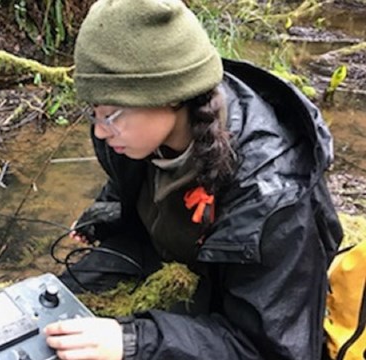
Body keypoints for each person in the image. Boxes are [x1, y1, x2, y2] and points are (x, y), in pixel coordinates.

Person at [44, 0, 344, 359]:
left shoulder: (273, 193)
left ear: (170, 96)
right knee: (50, 314)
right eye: (92, 112)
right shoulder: (134, 138)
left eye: (111, 114)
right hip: (161, 256)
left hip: (235, 310)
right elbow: (126, 190)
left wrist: (133, 342)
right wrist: (104, 216)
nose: (100, 130)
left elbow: (270, 349)